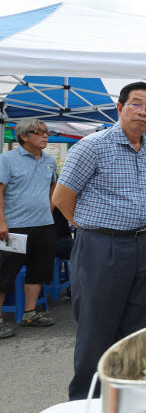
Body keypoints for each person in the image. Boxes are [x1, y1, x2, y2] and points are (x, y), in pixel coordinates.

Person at [53, 81, 146, 399]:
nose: (144, 111)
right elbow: (62, 197)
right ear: (119, 107)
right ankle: (87, 399)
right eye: (136, 104)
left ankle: (128, 394)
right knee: (97, 326)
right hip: (102, 246)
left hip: (145, 243)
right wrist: (89, 228)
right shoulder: (93, 145)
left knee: (139, 323)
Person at [0, 120, 58, 339]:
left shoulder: (50, 161)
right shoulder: (7, 160)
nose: (46, 136)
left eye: (47, 132)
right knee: (4, 274)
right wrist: (1, 222)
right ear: (24, 136)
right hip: (14, 227)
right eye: (40, 133)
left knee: (38, 271)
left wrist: (48, 209)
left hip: (43, 225)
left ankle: (30, 314)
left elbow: (54, 187)